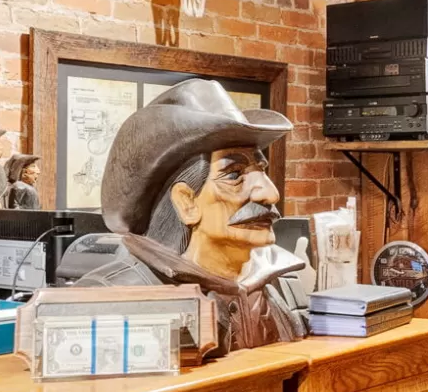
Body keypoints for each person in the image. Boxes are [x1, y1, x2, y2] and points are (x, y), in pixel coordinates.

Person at [74, 79, 307, 349]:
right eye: (234, 175)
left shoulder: (280, 285)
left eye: (262, 171)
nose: (270, 194)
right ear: (186, 202)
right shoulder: (112, 301)